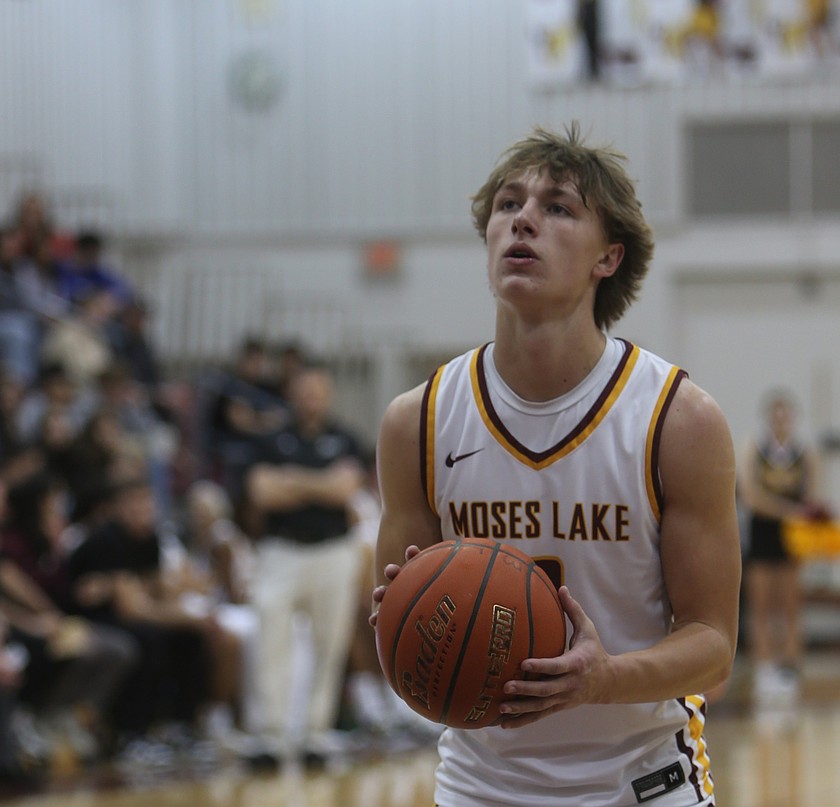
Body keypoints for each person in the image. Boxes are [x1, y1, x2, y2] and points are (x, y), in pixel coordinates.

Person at [371, 125, 741, 807]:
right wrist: (403, 622)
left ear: (608, 256)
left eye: (558, 207)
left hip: (638, 782)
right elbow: (394, 645)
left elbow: (713, 643)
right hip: (479, 786)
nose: (523, 219)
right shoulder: (415, 422)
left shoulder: (677, 421)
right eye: (508, 204)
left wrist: (603, 678)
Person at [244, 360, 367, 763]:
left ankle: (317, 731)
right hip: (280, 551)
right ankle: (269, 734)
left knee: (330, 642)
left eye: (318, 389)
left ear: (328, 393)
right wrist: (320, 484)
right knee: (269, 635)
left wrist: (291, 481)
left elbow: (345, 489)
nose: (311, 397)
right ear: (292, 393)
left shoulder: (346, 438)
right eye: (304, 389)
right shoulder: (268, 438)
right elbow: (262, 493)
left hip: (333, 552)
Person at [739, 390, 823, 703]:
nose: (780, 419)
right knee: (761, 603)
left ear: (793, 417)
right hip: (762, 535)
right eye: (775, 414)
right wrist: (788, 510)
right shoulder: (753, 449)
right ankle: (764, 668)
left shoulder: (806, 453)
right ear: (768, 417)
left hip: (792, 538)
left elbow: (812, 497)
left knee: (790, 604)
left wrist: (807, 515)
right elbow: (750, 496)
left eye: (785, 414)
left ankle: (790, 667)